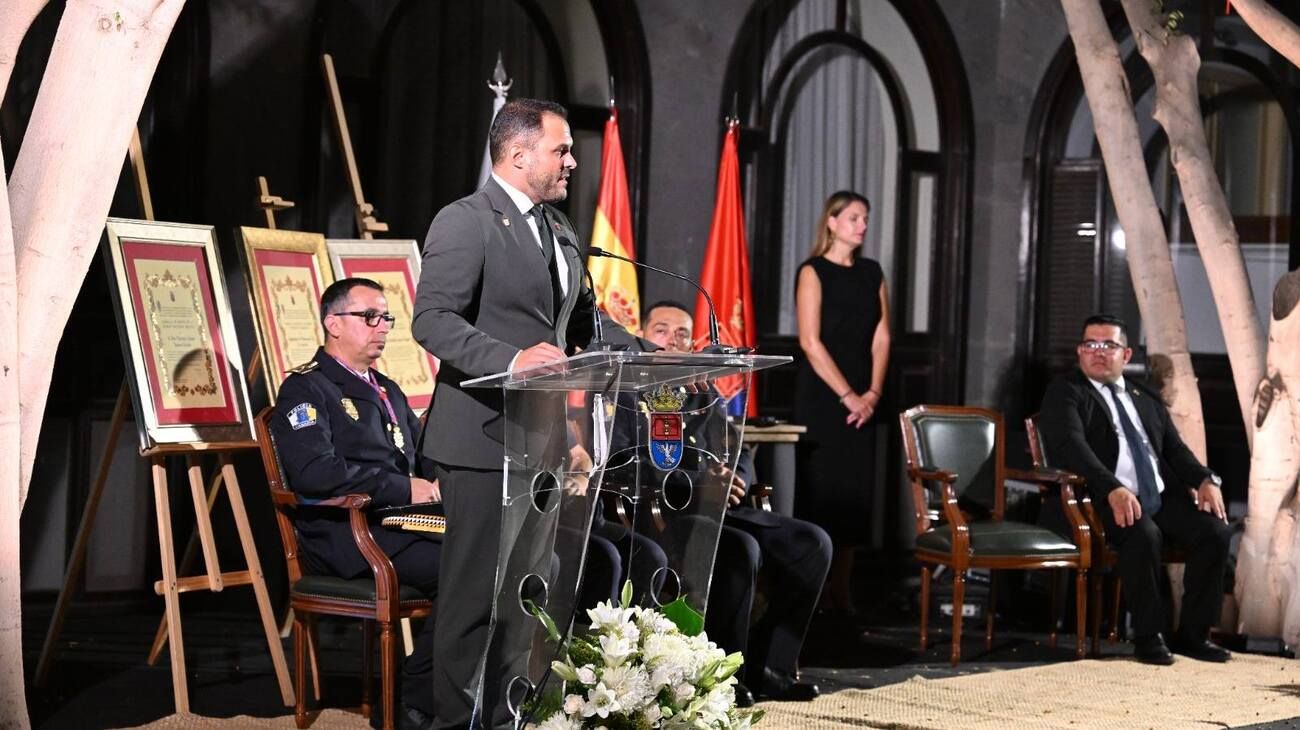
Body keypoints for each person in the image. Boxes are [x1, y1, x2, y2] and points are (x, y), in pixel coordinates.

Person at [411, 98, 642, 729]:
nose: (572, 161)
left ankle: (506, 719)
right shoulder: (466, 221)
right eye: (561, 150)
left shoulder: (559, 228)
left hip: (539, 442)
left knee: (523, 597)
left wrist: (655, 355)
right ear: (518, 155)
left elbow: (582, 325)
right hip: (482, 440)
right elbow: (431, 320)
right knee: (473, 603)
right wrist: (510, 359)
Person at [627, 301, 831, 705]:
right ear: (642, 335)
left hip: (724, 508)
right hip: (665, 514)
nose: (674, 340)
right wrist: (700, 483)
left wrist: (738, 480)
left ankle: (770, 668)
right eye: (662, 330)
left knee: (812, 543)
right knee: (740, 550)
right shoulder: (627, 390)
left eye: (683, 333)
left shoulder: (704, 389)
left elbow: (739, 450)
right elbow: (626, 463)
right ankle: (722, 677)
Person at [269, 277, 441, 728]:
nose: (382, 326)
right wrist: (404, 489)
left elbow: (423, 460)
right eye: (369, 317)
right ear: (333, 323)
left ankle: (451, 694)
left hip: (399, 526)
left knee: (491, 556)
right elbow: (314, 474)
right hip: (347, 534)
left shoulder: (387, 388)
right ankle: (411, 701)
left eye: (386, 317)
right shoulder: (307, 389)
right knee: (471, 572)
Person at [1038, 313, 1233, 665]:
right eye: (1090, 345)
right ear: (1080, 352)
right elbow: (1071, 448)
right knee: (1143, 534)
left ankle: (1193, 634)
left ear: (1126, 355)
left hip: (1157, 496)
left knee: (1216, 532)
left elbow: (1175, 450)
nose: (1098, 352)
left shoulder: (1144, 396)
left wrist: (1205, 480)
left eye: (1108, 345)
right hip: (1098, 498)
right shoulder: (1066, 392)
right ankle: (1148, 636)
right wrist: (1112, 487)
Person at [793, 190, 890, 614]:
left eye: (865, 218)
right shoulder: (812, 271)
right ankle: (812, 591)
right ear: (831, 222)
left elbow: (883, 335)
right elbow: (809, 342)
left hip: (864, 402)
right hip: (824, 399)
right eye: (853, 217)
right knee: (822, 497)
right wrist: (849, 395)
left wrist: (872, 394)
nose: (862, 225)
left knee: (855, 501)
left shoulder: (872, 272)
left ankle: (843, 593)